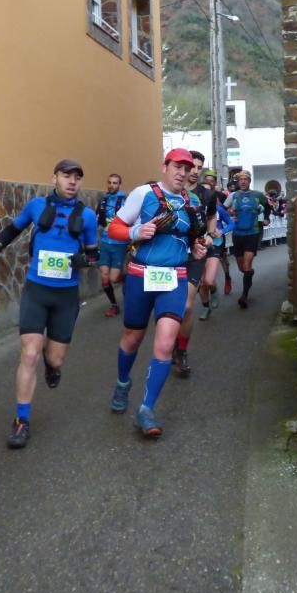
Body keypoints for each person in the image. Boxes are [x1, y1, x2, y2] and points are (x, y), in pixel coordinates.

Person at [0, 159, 99, 450]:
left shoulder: (87, 217)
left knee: (54, 359)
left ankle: (53, 364)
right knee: (29, 354)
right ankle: (21, 421)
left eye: (77, 178)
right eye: (66, 176)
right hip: (36, 290)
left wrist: (83, 260)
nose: (72, 181)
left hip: (65, 296)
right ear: (54, 178)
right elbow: (13, 229)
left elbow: (94, 255)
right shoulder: (36, 206)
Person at [105, 148, 207, 437]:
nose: (182, 173)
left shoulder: (193, 201)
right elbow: (114, 227)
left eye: (187, 169)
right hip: (141, 276)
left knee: (164, 344)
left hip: (175, 278)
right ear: (165, 167)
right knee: (132, 338)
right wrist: (135, 233)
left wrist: (198, 248)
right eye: (177, 166)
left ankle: (147, 409)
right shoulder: (143, 193)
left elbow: (194, 238)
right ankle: (123, 383)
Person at [173, 151, 216, 378]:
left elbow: (212, 217)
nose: (196, 171)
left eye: (200, 167)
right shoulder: (171, 190)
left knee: (188, 307)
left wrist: (210, 235)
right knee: (170, 306)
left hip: (195, 254)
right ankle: (169, 340)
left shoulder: (207, 194)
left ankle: (181, 350)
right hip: (170, 255)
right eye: (192, 166)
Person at [225, 171, 271, 309]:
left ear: (249, 181)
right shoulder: (233, 196)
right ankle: (249, 273)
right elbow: (222, 209)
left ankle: (244, 296)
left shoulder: (258, 195)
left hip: (253, 232)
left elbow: (268, 206)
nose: (243, 181)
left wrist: (266, 218)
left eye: (246, 179)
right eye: (241, 179)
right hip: (237, 234)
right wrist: (229, 215)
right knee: (242, 268)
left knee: (246, 265)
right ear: (238, 182)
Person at [95, 173, 129, 318]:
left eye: (115, 183)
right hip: (105, 243)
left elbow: (132, 219)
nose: (112, 185)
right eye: (109, 182)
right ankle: (114, 305)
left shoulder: (125, 200)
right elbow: (97, 219)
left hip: (120, 244)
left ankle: (126, 278)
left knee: (113, 278)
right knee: (104, 277)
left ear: (119, 184)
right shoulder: (103, 200)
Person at [199, 200, 234, 320]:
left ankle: (213, 291)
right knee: (201, 281)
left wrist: (222, 231)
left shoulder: (218, 209)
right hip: (198, 245)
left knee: (208, 281)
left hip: (215, 244)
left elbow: (231, 223)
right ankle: (205, 308)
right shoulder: (192, 208)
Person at [203, 169, 234, 295]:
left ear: (214, 182)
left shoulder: (220, 199)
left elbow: (231, 222)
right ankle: (211, 288)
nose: (209, 182)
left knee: (222, 259)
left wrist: (222, 231)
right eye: (207, 180)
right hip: (203, 238)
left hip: (217, 238)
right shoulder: (196, 200)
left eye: (211, 180)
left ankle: (227, 277)